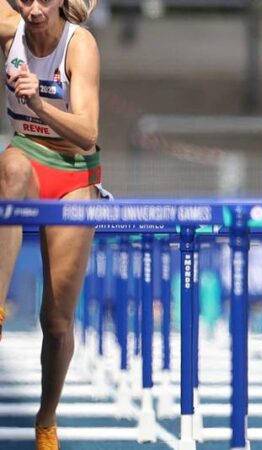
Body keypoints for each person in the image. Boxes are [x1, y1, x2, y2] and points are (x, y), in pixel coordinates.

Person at [0, 0, 104, 448]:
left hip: (74, 169)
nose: (35, 10)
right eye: (25, 0)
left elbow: (88, 132)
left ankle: (46, 419)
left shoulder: (79, 45)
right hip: (26, 155)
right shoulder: (10, 28)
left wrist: (37, 102)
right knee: (12, 169)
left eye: (44, 0)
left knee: (57, 322)